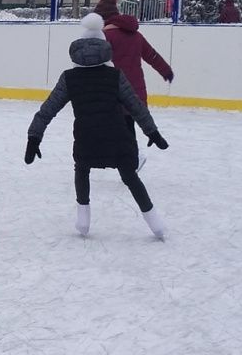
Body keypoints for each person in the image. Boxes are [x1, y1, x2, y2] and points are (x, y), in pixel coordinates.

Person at [25, 34, 170, 240]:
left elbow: (48, 109)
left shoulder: (69, 78)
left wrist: (34, 137)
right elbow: (136, 106)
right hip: (118, 138)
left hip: (87, 139)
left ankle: (83, 220)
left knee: (82, 169)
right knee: (130, 176)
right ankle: (155, 223)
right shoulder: (115, 75)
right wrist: (152, 132)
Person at [96, 0, 174, 169]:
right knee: (125, 124)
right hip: (135, 90)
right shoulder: (135, 35)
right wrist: (166, 71)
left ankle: (133, 158)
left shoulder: (105, 37)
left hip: (115, 90)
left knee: (117, 126)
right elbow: (152, 55)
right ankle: (130, 157)